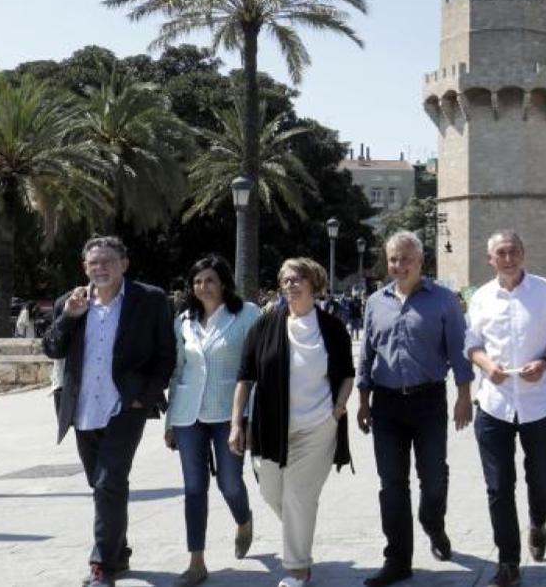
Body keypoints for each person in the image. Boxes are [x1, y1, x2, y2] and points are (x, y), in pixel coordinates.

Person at [42, 235, 176, 587]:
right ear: (85, 267)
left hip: (124, 407)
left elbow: (166, 353)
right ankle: (119, 551)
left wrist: (144, 398)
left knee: (108, 482)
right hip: (83, 408)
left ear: (124, 264)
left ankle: (102, 566)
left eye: (107, 261)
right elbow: (52, 349)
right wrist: (69, 317)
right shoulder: (70, 302)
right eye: (93, 263)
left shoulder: (149, 299)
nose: (100, 268)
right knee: (102, 485)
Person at [357, 230, 475, 586]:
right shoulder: (375, 302)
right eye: (393, 259)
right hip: (387, 403)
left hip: (428, 401)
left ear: (421, 261)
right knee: (392, 484)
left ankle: (433, 523)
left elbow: (458, 350)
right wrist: (363, 400)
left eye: (406, 258)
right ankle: (397, 559)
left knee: (434, 477)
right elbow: (366, 354)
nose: (399, 265)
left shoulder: (443, 301)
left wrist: (464, 396)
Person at [230, 258, 355, 587]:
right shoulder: (265, 325)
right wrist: (235, 424)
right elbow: (245, 378)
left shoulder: (331, 327)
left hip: (318, 426)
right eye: (285, 280)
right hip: (271, 429)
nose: (291, 285)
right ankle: (300, 535)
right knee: (273, 493)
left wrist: (338, 409)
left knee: (298, 496)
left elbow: (346, 374)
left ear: (314, 284)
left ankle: (298, 569)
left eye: (298, 279)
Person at [465, 231, 546, 587]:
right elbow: (472, 344)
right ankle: (508, 560)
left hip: (538, 403)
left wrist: (543, 361)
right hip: (494, 405)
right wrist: (486, 366)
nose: (508, 258)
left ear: (523, 254)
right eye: (501, 253)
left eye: (513, 252)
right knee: (499, 485)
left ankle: (538, 521)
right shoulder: (479, 298)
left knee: (541, 475)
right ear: (489, 258)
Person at [164, 255, 262, 586]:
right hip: (187, 415)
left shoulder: (247, 315)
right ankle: (196, 562)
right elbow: (178, 371)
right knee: (194, 487)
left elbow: (257, 370)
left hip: (230, 413)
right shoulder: (183, 321)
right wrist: (169, 422)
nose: (202, 286)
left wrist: (250, 419)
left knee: (229, 483)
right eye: (197, 281)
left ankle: (243, 519)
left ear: (223, 283)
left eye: (209, 280)